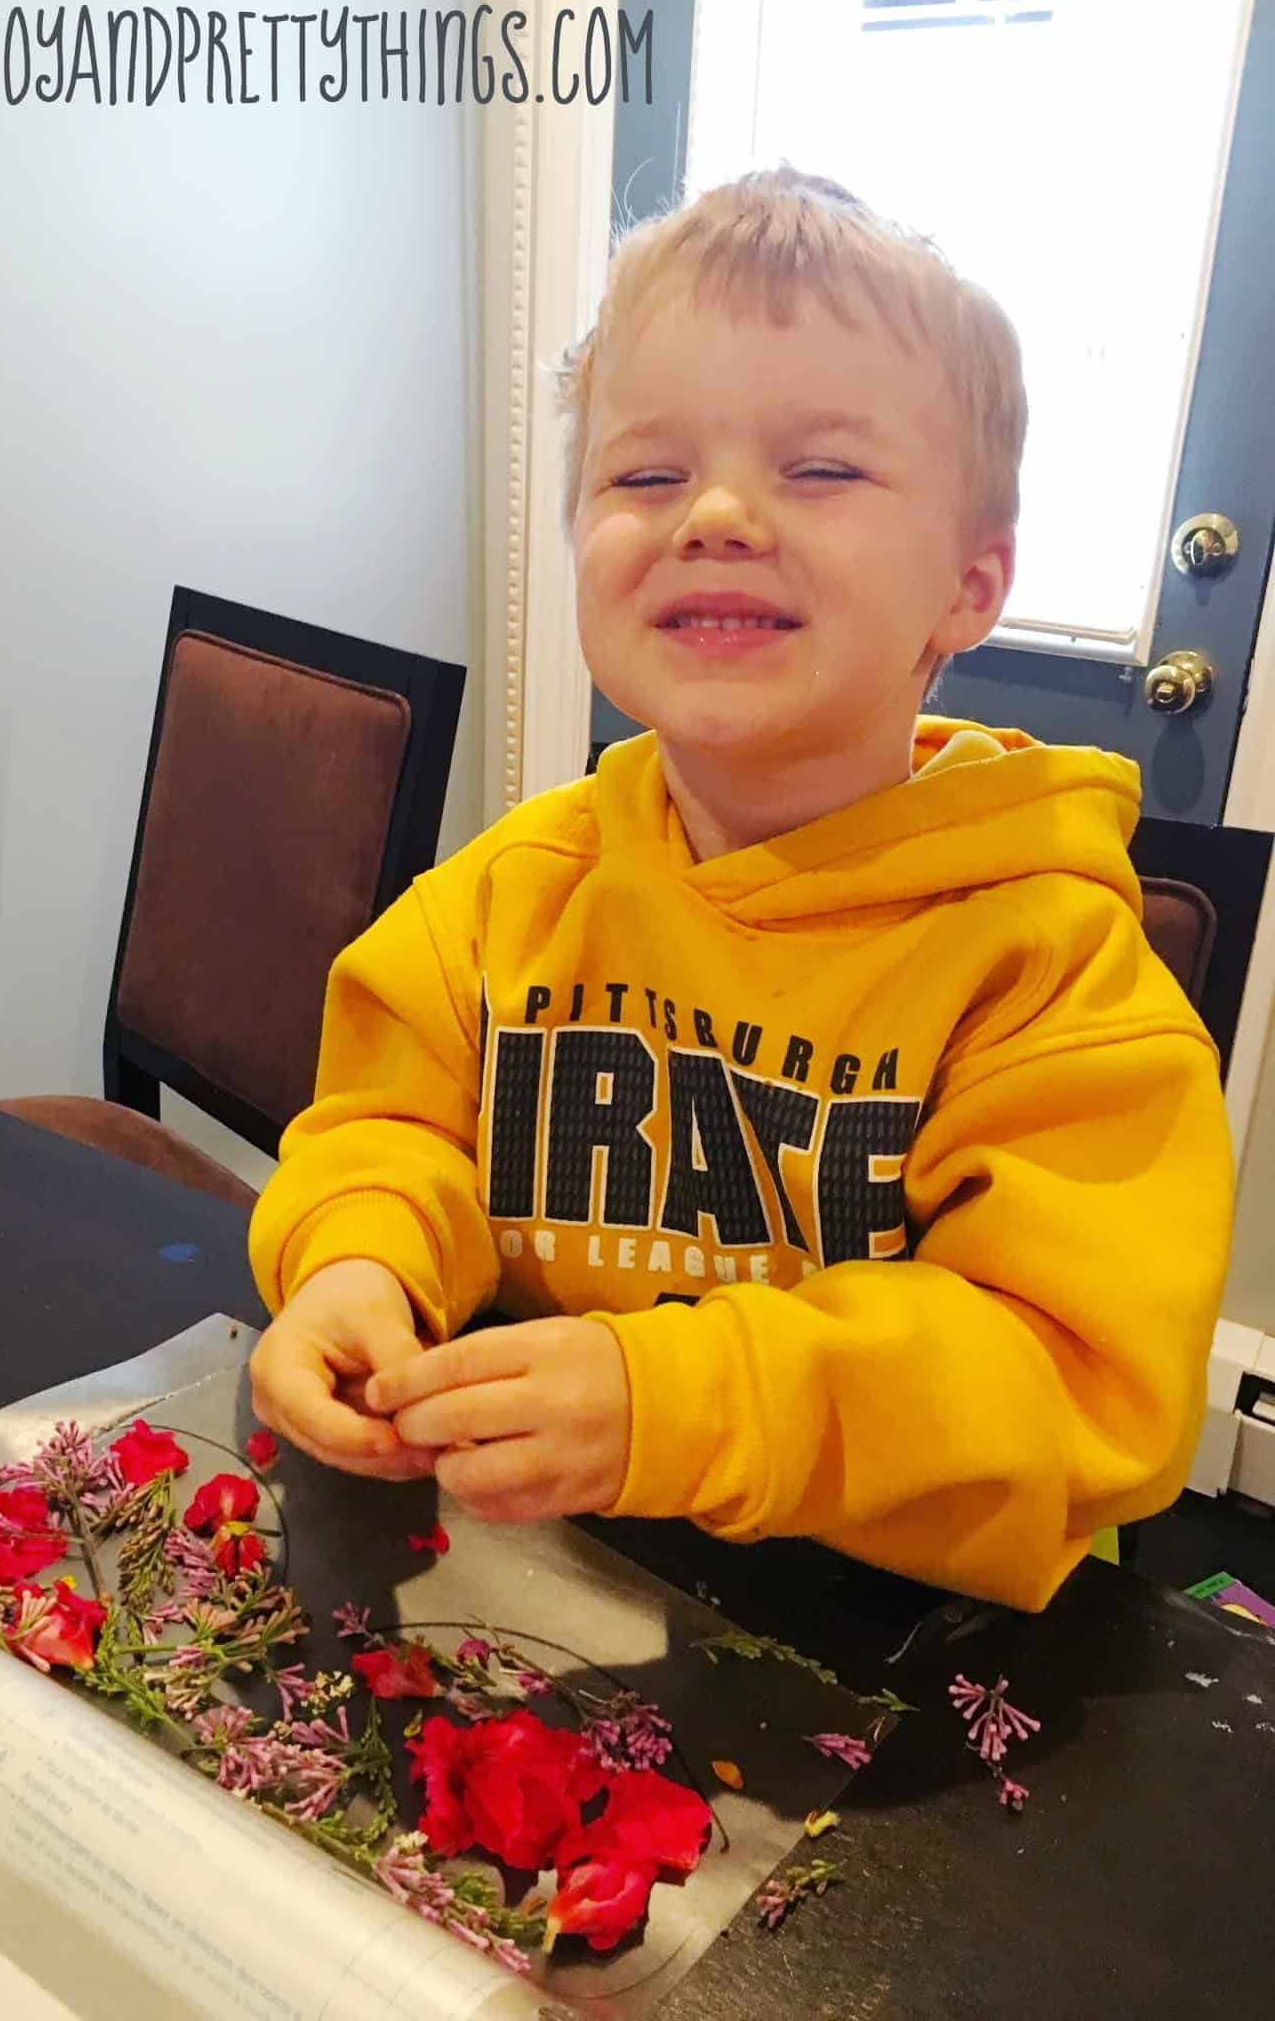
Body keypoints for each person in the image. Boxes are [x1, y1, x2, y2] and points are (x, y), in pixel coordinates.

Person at [246, 166, 1233, 1610]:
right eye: (647, 474)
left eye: (820, 470)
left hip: (889, 1641)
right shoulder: (516, 889)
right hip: (528, 1578)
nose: (712, 512)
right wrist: (357, 1269)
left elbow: (1082, 1381)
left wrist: (681, 1405)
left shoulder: (1050, 968)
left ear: (969, 587)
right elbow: (385, 1128)